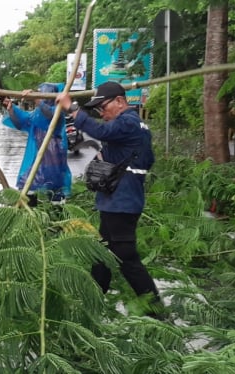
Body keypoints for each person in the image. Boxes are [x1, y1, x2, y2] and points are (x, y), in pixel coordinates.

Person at [56, 81, 161, 307]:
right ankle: (93, 299)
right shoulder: (134, 126)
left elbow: (101, 131)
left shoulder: (129, 122)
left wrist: (72, 108)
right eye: (98, 111)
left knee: (126, 257)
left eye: (103, 108)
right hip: (117, 201)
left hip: (121, 202)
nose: (102, 114)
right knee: (101, 251)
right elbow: (144, 158)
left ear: (120, 102)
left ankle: (156, 310)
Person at [2, 82, 72, 205]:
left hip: (53, 162)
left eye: (45, 96)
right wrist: (11, 109)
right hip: (36, 160)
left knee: (55, 192)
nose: (43, 99)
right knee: (28, 188)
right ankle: (32, 217)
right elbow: (20, 123)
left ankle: (58, 218)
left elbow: (50, 115)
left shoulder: (58, 114)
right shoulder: (35, 115)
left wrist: (38, 101)